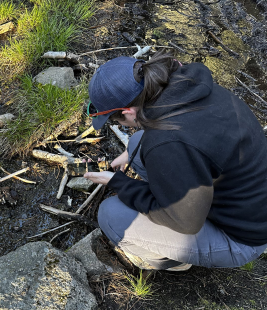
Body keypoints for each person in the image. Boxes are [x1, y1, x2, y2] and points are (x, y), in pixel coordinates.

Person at [83, 51, 267, 271]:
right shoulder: (190, 85)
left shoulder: (167, 144)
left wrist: (118, 183)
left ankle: (173, 262)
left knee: (111, 215)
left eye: (116, 119)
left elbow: (184, 222)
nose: (121, 124)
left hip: (244, 238)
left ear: (128, 112)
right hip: (249, 199)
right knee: (136, 143)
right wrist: (133, 153)